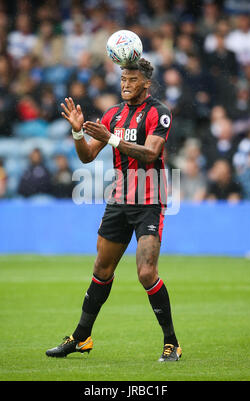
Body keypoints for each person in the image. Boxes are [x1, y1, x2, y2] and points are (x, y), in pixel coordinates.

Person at [45, 58, 182, 362]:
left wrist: (112, 139)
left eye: (131, 80)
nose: (124, 84)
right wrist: (79, 133)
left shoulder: (159, 113)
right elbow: (86, 157)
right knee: (101, 270)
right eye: (122, 79)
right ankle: (81, 338)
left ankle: (171, 342)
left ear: (145, 83)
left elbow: (151, 153)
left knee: (147, 273)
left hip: (149, 201)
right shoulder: (113, 114)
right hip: (119, 201)